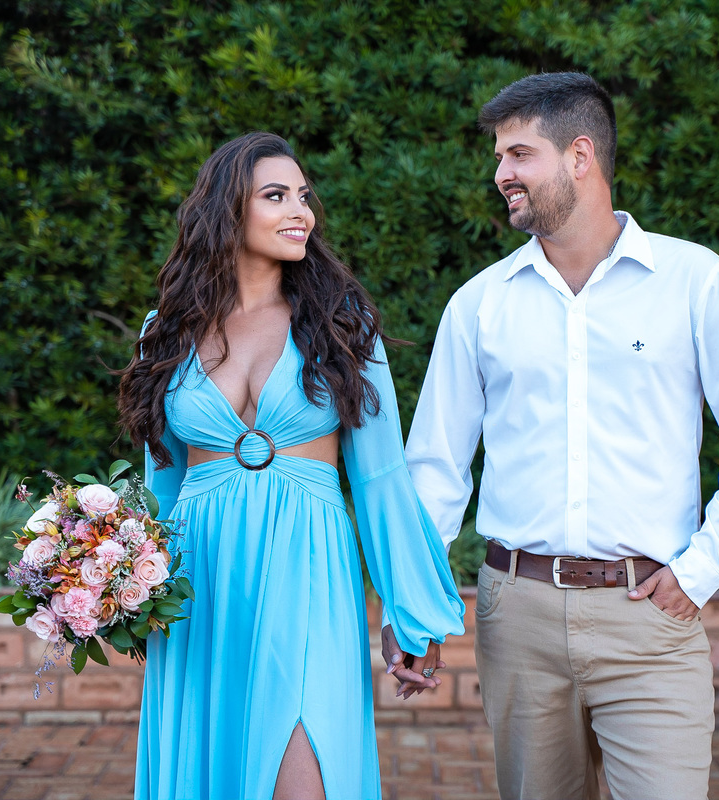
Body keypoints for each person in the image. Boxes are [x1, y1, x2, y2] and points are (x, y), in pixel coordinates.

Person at [404, 73, 719, 800]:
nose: (501, 175)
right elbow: (434, 469)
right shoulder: (479, 305)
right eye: (499, 158)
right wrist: (420, 608)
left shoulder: (696, 281)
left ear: (580, 156)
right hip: (515, 616)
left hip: (648, 617)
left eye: (519, 155)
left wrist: (704, 567)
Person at [118, 131, 464, 800]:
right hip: (200, 586)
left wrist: (409, 611)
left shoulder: (340, 324)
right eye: (275, 196)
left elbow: (380, 479)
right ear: (227, 212)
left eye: (303, 196)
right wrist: (121, 587)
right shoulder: (164, 331)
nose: (299, 210)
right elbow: (162, 483)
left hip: (306, 571)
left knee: (305, 774)